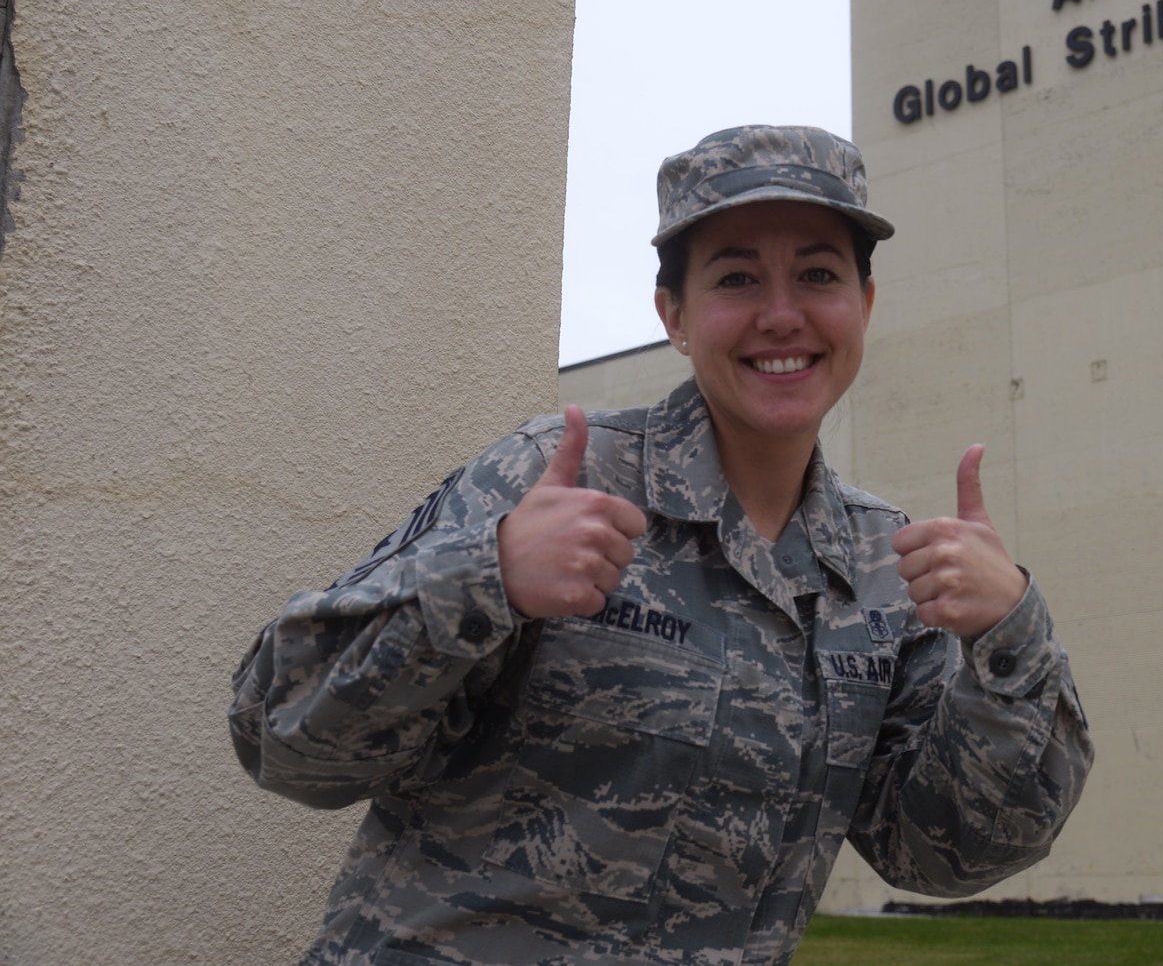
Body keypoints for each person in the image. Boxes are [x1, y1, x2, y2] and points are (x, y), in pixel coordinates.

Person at [230, 125, 1092, 965]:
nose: (782, 314)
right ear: (673, 314)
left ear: (863, 306)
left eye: (819, 274)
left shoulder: (879, 568)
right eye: (738, 277)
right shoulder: (555, 480)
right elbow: (282, 737)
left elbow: (944, 852)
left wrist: (1011, 638)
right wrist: (483, 576)